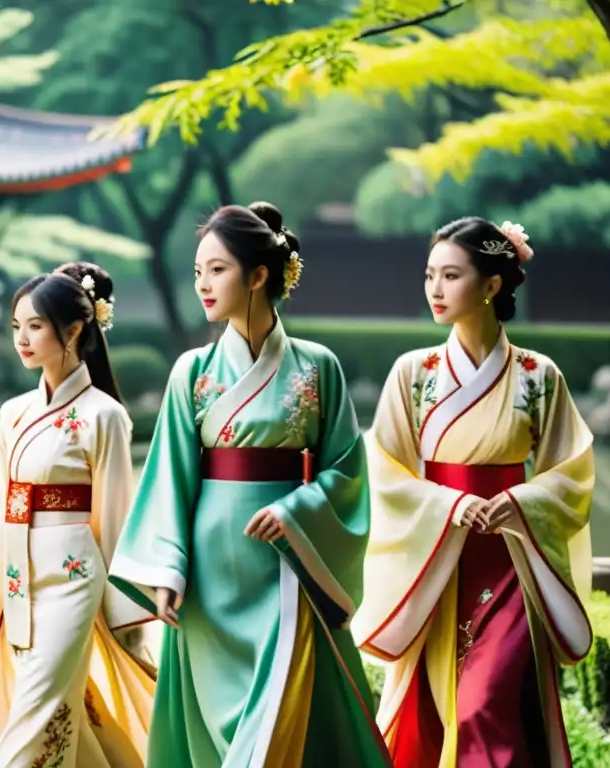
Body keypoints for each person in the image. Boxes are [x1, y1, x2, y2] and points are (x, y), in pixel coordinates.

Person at [108, 202, 392, 768]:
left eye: (216, 269)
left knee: (285, 710)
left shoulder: (317, 367)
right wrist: (167, 568)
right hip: (212, 577)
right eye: (197, 272)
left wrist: (297, 511)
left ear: (258, 275)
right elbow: (169, 475)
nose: (203, 285)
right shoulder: (192, 370)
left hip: (289, 562)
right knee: (216, 722)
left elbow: (347, 471)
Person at [352, 217, 594, 767]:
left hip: (511, 557)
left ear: (491, 286)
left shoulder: (538, 376)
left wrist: (521, 500)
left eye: (451, 275)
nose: (435, 288)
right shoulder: (413, 373)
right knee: (432, 712)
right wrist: (450, 503)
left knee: (483, 704)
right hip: (436, 558)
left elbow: (573, 471)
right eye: (430, 274)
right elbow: (384, 469)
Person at [0, 263, 156, 768]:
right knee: (50, 708)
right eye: (16, 327)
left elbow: (118, 517)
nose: (22, 339)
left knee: (39, 706)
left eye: (35, 326)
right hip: (19, 580)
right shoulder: (13, 412)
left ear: (73, 330)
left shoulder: (105, 415)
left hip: (74, 581)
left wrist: (128, 616)